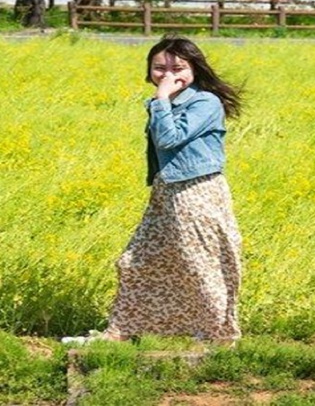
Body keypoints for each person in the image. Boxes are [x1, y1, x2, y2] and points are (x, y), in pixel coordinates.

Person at [64, 35, 244, 345]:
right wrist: (163, 99)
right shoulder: (170, 101)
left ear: (195, 70)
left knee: (201, 264)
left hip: (195, 191)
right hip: (167, 192)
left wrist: (161, 98)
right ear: (149, 70)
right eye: (159, 67)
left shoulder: (205, 102)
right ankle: (119, 333)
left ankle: (219, 338)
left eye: (178, 67)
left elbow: (168, 139)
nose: (168, 74)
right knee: (138, 261)